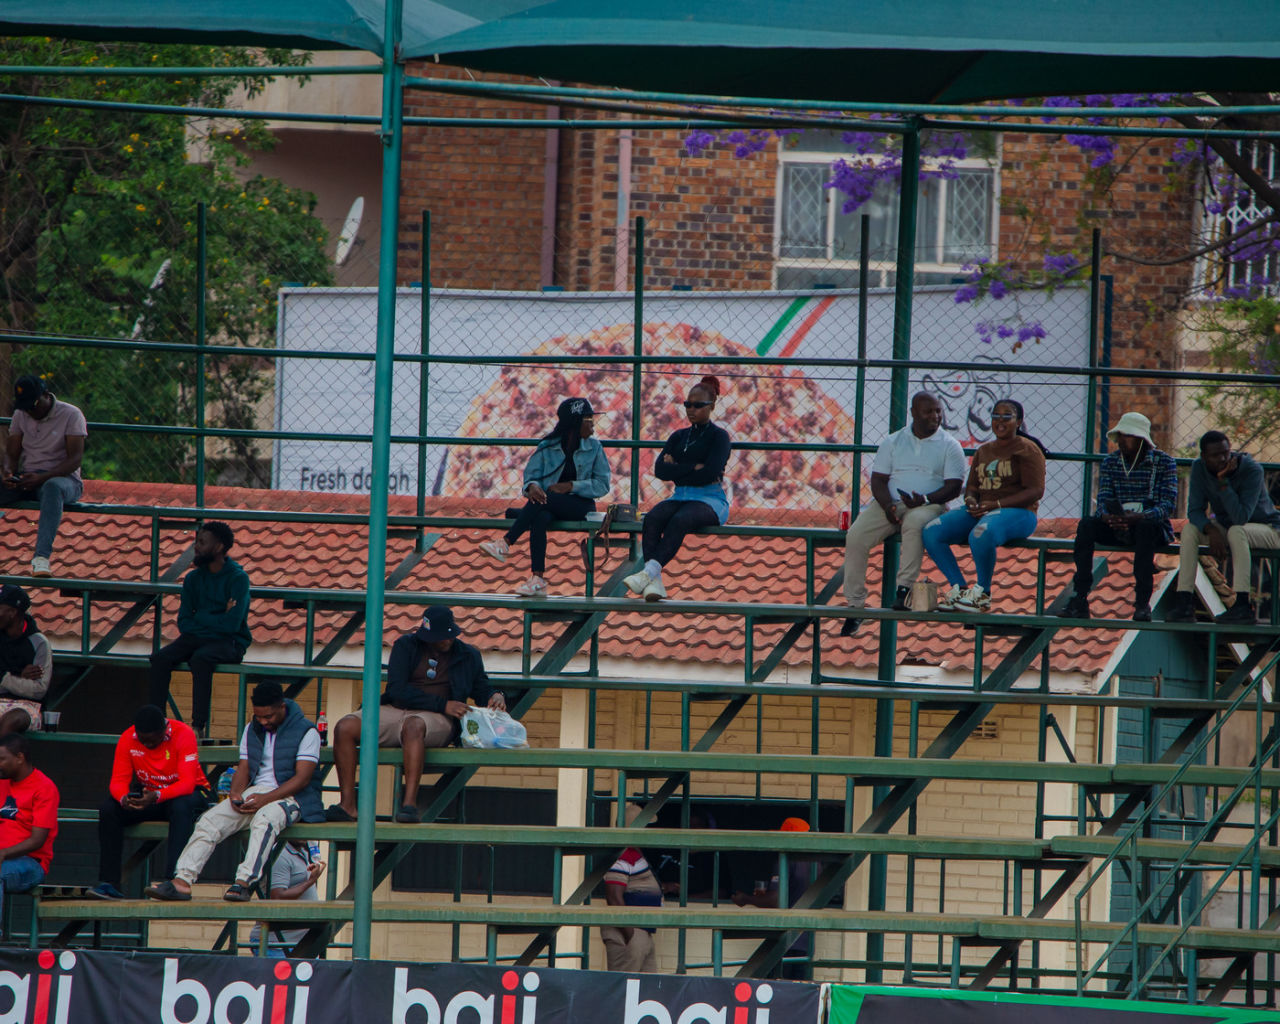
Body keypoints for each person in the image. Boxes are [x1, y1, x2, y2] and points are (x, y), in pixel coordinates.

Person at [144, 682, 323, 903]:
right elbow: (244, 767)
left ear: (281, 707)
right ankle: (182, 882)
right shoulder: (252, 728)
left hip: (294, 797)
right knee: (209, 820)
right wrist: (236, 794)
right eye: (258, 717)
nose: (263, 722)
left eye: (268, 717)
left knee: (265, 821)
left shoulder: (307, 731)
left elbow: (302, 779)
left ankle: (244, 883)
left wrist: (266, 799)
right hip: (256, 793)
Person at [326, 606, 505, 824]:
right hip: (398, 708)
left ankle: (409, 805)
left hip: (437, 719)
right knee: (344, 727)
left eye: (450, 635)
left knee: (413, 725)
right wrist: (442, 704)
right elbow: (396, 690)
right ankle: (348, 806)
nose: (446, 640)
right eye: (440, 637)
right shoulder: (405, 646)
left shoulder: (469, 655)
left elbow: (480, 688)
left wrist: (495, 694)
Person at [840, 391, 966, 635]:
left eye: (938, 411)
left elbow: (953, 487)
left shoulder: (950, 446)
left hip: (930, 505)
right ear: (913, 413)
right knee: (855, 535)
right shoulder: (893, 441)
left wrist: (927, 499)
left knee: (915, 523)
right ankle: (855, 606)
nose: (936, 416)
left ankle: (903, 591)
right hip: (891, 503)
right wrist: (888, 506)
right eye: (929, 411)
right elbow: (878, 481)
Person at [922, 399, 1046, 611]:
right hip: (984, 510)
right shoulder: (984, 450)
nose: (1000, 420)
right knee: (932, 531)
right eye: (996, 415)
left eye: (1007, 416)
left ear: (1019, 422)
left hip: (1019, 514)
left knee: (981, 532)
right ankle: (960, 589)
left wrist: (995, 504)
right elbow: (972, 487)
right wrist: (971, 500)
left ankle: (983, 594)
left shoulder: (1028, 449)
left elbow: (1035, 491)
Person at [480, 397, 610, 597]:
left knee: (543, 501)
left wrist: (571, 486)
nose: (592, 423)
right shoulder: (547, 446)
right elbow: (531, 478)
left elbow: (602, 485)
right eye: (588, 419)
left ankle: (506, 542)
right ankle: (537, 579)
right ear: (575, 423)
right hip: (547, 505)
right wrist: (531, 487)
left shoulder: (595, 447)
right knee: (540, 516)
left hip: (581, 507)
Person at [1061, 412, 1177, 622]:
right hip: (1118, 524)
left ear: (1142, 439)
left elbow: (1167, 506)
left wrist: (1140, 516)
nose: (1121, 440)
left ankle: (1142, 603)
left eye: (1128, 435)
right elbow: (1103, 498)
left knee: (1146, 528)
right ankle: (1080, 597)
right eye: (1120, 435)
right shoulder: (1111, 462)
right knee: (1087, 525)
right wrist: (1107, 517)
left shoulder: (1164, 463)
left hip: (1147, 525)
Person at [624, 375, 732, 602]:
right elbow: (660, 470)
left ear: (711, 406)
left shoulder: (719, 437)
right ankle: (654, 581)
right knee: (653, 518)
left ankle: (648, 573)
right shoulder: (678, 436)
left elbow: (711, 472)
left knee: (681, 520)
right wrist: (693, 466)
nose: (691, 410)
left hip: (709, 498)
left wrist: (678, 467)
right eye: (687, 405)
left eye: (698, 405)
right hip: (681, 495)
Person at [89, 705, 210, 901]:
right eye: (143, 740)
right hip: (150, 797)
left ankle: (174, 882)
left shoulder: (183, 734)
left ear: (164, 730)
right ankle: (109, 883)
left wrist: (157, 796)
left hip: (186, 795)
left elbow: (187, 784)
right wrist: (124, 798)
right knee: (109, 809)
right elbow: (118, 780)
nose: (147, 745)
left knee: (181, 806)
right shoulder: (128, 737)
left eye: (153, 741)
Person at [148, 521, 251, 735]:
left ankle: (198, 726)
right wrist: (216, 616)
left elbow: (232, 625)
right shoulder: (193, 579)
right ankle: (156, 722)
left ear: (219, 547)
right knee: (160, 658)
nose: (196, 547)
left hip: (229, 642)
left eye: (202, 542)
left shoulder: (238, 578)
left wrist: (201, 617)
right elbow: (184, 621)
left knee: (201, 659)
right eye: (196, 541)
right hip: (195, 637)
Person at [1168, 431, 1280, 624]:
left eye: (1226, 453)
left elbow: (1240, 517)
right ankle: (1184, 603)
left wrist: (1222, 483)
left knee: (1237, 531)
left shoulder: (1251, 469)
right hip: (1230, 529)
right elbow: (1194, 511)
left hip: (1269, 528)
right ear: (1203, 457)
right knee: (1189, 530)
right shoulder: (1199, 468)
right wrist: (1211, 530)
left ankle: (1243, 606)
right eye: (1215, 455)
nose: (1222, 459)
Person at [0, 374, 87, 578]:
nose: (30, 410)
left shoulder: (71, 415)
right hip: (30, 477)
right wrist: (8, 473)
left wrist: (43, 477)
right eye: (26, 406)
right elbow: (12, 454)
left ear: (46, 396)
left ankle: (41, 558)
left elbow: (75, 459)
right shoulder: (21, 415)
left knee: (52, 488)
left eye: (34, 405)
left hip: (64, 480)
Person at [731, 817, 815, 980]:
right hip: (806, 940)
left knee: (777, 991)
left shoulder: (785, 860)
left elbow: (774, 900)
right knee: (799, 992)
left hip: (785, 939)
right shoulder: (816, 862)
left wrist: (746, 899)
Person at [0, 733, 58, 930]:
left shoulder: (44, 787)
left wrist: (4, 853)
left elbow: (37, 840)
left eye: (2, 759)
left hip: (32, 863)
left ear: (19, 757)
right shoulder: (2, 782)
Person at [602, 807, 663, 973]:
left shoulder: (634, 852)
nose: (649, 831)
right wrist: (631, 935)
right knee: (624, 990)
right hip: (630, 933)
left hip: (642, 932)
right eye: (646, 826)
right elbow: (614, 897)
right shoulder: (621, 856)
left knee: (648, 991)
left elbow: (636, 885)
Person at [246, 840, 325, 957]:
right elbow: (278, 896)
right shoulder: (281, 855)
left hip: (302, 942)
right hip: (276, 944)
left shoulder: (303, 850)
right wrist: (311, 881)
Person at [0, 584, 51, 734]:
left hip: (29, 706)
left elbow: (38, 690)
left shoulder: (39, 642)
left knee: (13, 720)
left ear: (12, 612)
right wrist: (19, 676)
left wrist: (4, 678)